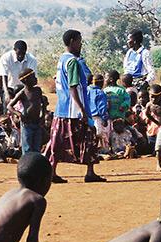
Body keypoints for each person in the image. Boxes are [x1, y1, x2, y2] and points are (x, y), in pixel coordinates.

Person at [45, 30, 105, 183]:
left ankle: (52, 172)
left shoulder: (62, 59)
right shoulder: (72, 62)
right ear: (72, 41)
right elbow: (73, 87)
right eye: (79, 41)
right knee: (88, 138)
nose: (81, 44)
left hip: (62, 108)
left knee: (58, 142)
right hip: (74, 110)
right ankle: (90, 172)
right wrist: (83, 110)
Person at [7, 69, 45, 153]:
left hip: (37, 122)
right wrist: (19, 114)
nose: (36, 79)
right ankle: (27, 163)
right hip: (27, 123)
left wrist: (43, 115)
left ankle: (34, 164)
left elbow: (43, 103)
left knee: (37, 146)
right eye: (33, 77)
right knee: (27, 147)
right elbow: (9, 106)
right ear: (25, 80)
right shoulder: (22, 93)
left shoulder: (38, 90)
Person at [0, 40, 38, 105]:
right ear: (14, 50)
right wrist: (6, 93)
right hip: (10, 88)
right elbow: (4, 76)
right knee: (7, 101)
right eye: (18, 53)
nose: (20, 56)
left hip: (25, 88)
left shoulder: (32, 59)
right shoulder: (6, 57)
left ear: (26, 51)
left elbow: (32, 78)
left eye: (23, 53)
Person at [87, 74, 110, 152]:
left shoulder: (86, 90)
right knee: (99, 134)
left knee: (90, 134)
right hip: (97, 117)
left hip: (87, 117)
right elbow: (102, 107)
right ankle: (100, 150)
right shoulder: (100, 92)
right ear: (101, 83)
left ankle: (91, 150)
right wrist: (104, 118)